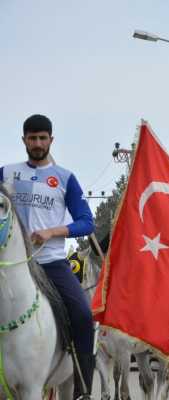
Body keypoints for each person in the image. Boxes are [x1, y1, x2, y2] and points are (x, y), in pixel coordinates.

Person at [0, 114, 95, 399]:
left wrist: (53, 231)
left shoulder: (65, 178)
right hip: (12, 264)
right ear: (24, 140)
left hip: (51, 262)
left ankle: (82, 390)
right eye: (32, 138)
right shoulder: (6, 173)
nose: (38, 143)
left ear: (51, 140)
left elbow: (86, 222)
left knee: (82, 315)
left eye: (43, 138)